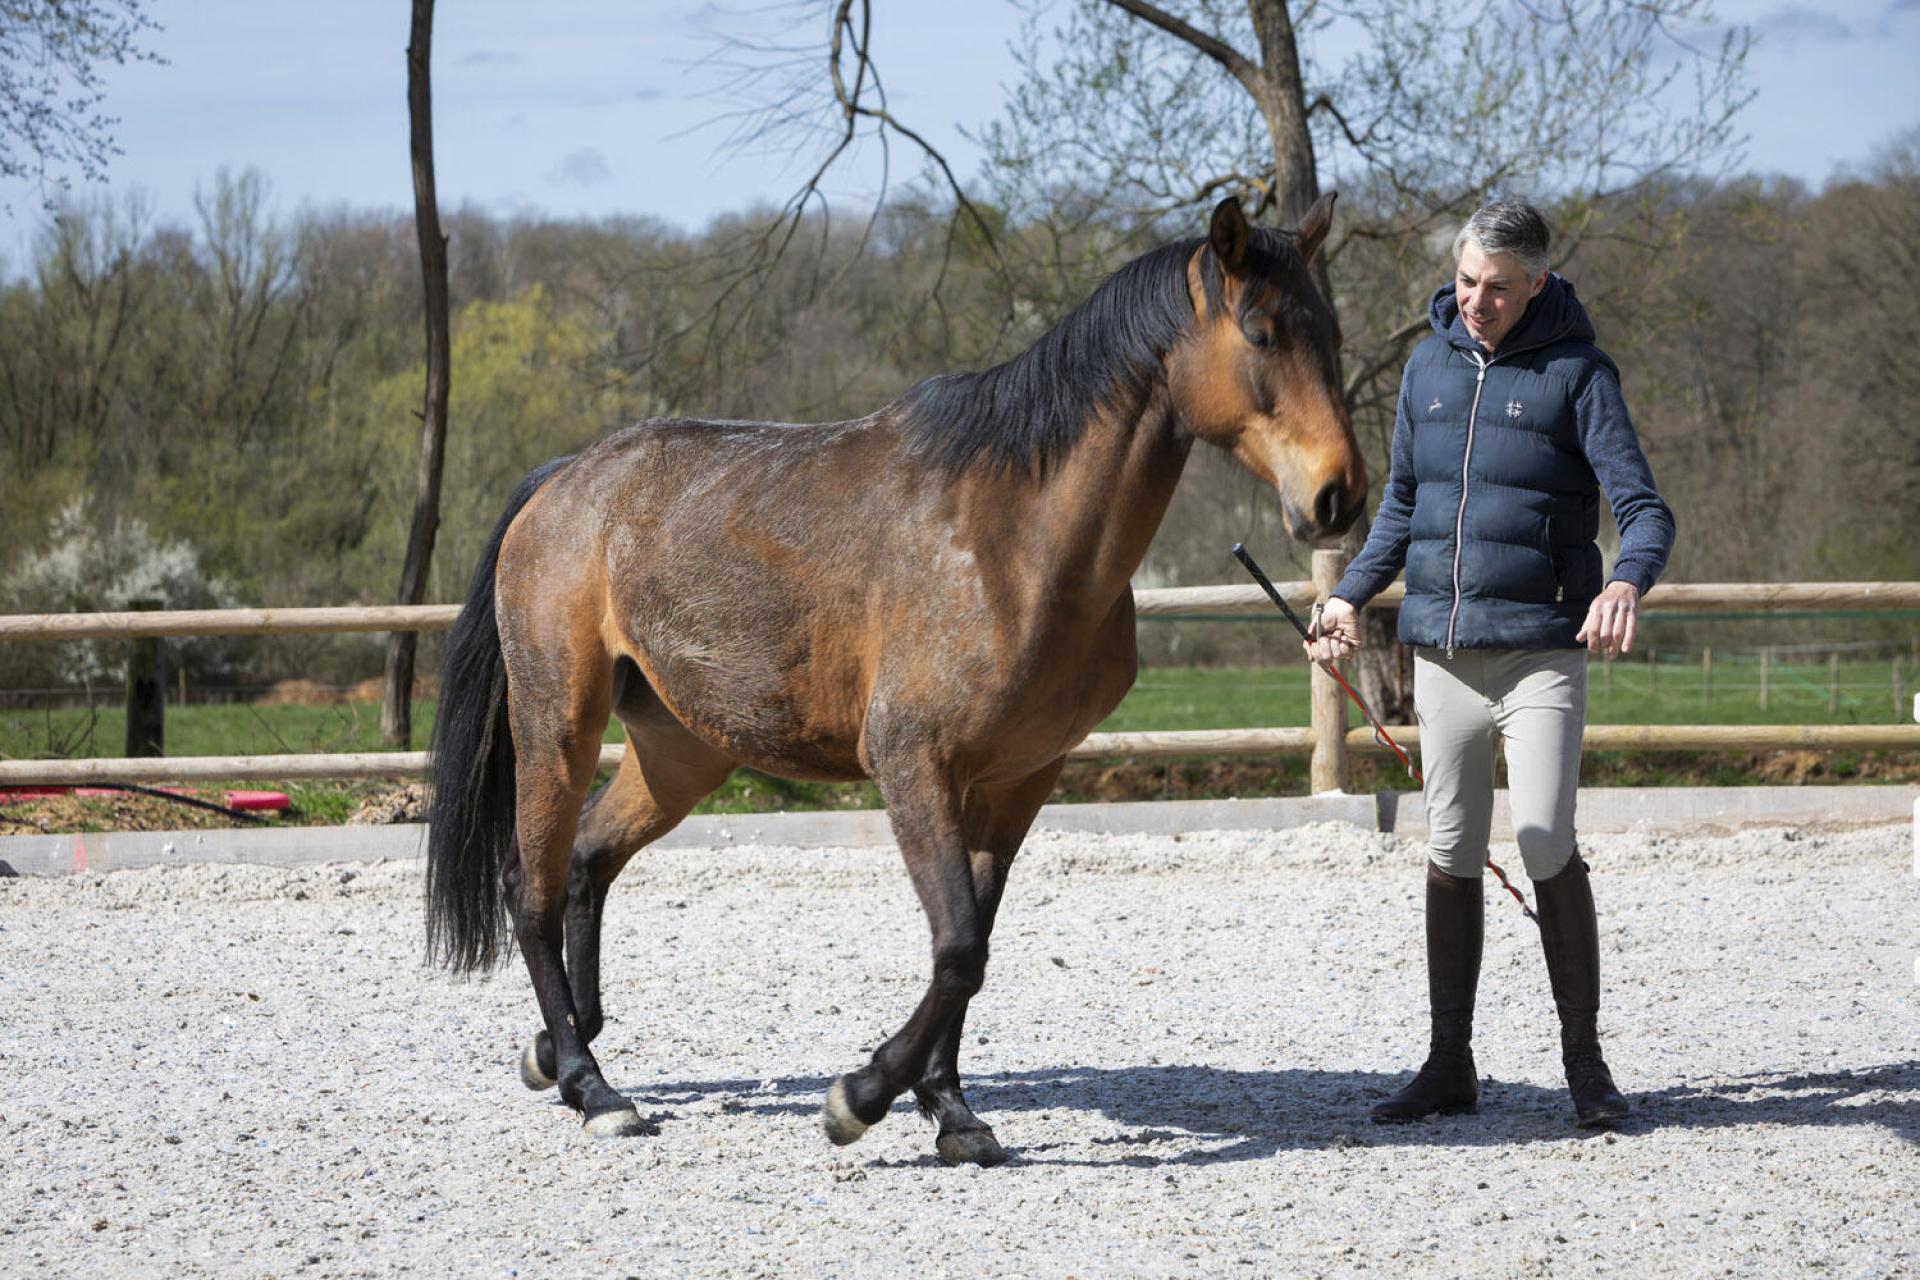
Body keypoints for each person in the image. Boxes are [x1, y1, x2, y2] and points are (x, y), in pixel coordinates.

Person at [1307, 200, 1675, 1128]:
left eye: (1498, 288)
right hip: (1444, 656)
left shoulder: (1579, 374)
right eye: (1467, 281)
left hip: (1541, 654)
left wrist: (1626, 581)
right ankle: (1448, 1062)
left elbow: (1644, 509)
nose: (1475, 299)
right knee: (1449, 850)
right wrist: (1348, 593)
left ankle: (1586, 1066)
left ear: (1538, 284)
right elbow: (1401, 507)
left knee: (1546, 838)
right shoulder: (1426, 367)